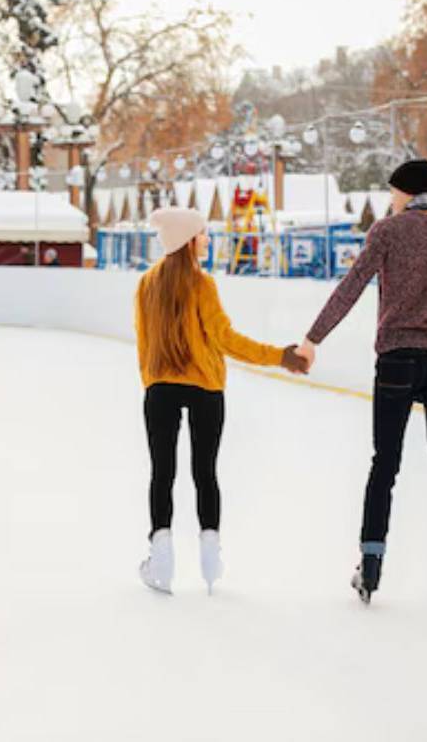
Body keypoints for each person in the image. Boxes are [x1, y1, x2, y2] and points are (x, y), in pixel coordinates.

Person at [295, 159, 427, 604]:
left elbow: (350, 286)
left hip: (396, 361)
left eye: (393, 192)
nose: (390, 200)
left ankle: (372, 565)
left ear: (406, 192)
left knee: (385, 464)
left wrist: (312, 339)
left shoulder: (386, 231)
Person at [134, 207, 309, 595]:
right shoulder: (202, 284)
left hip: (160, 390)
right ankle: (210, 553)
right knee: (205, 472)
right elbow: (226, 339)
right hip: (206, 391)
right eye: (202, 234)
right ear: (186, 240)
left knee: (162, 472)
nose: (207, 240)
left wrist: (154, 382)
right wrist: (279, 356)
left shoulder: (146, 284)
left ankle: (160, 557)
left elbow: (143, 346)